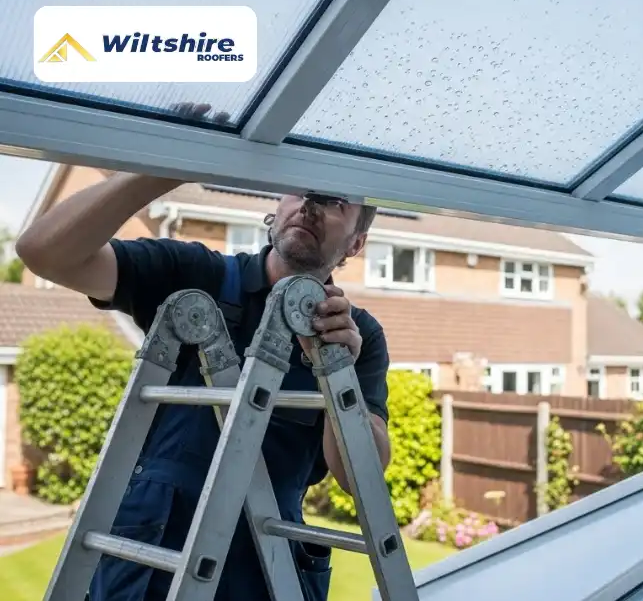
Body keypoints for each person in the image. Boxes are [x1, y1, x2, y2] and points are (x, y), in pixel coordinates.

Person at [16, 157, 391, 600]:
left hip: (266, 565)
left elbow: (358, 476)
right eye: (300, 190)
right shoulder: (197, 276)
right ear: (276, 202)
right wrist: (162, 168)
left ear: (356, 243)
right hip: (152, 552)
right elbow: (43, 252)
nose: (309, 204)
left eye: (334, 202)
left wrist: (336, 372)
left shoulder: (356, 335)